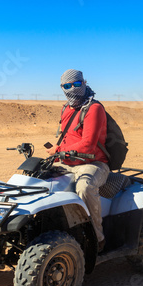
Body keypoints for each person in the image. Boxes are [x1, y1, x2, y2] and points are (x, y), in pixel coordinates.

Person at [47, 69, 110, 252]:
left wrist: (58, 151)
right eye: (67, 86)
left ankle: (97, 239)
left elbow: (88, 145)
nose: (72, 89)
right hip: (67, 163)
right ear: (62, 88)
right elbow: (66, 138)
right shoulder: (66, 108)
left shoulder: (94, 108)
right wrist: (57, 152)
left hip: (94, 164)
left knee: (84, 188)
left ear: (84, 82)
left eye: (76, 84)